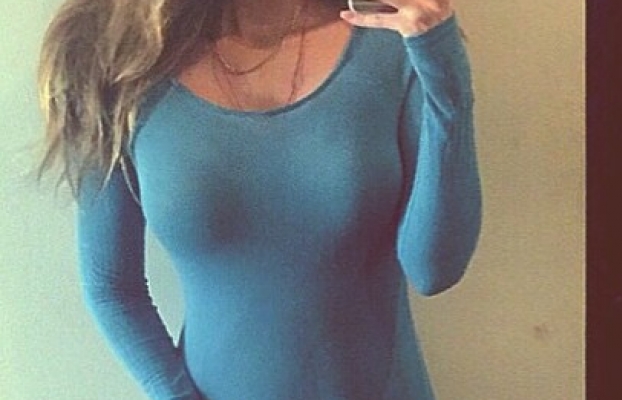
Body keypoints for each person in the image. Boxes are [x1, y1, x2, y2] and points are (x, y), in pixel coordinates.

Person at [36, 0, 481, 398]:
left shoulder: (392, 38)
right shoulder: (112, 60)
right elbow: (112, 286)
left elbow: (433, 270)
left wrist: (444, 69)